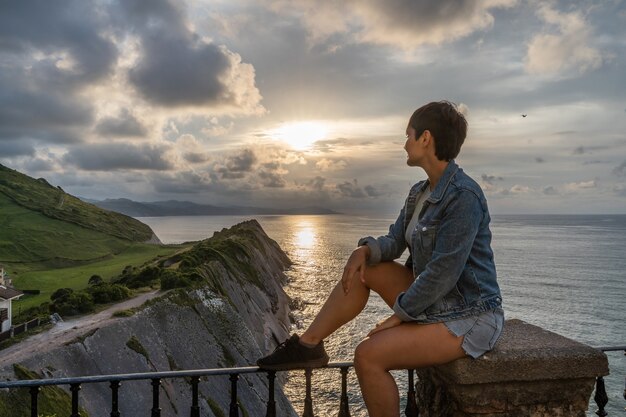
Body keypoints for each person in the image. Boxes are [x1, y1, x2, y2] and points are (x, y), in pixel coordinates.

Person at [257, 101, 504, 417]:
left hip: (469, 315)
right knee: (367, 269)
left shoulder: (464, 196)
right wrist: (366, 250)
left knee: (367, 355)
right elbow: (394, 242)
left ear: (425, 138)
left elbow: (444, 272)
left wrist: (399, 314)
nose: (405, 143)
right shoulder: (420, 192)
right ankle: (308, 346)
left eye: (408, 135)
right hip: (436, 302)